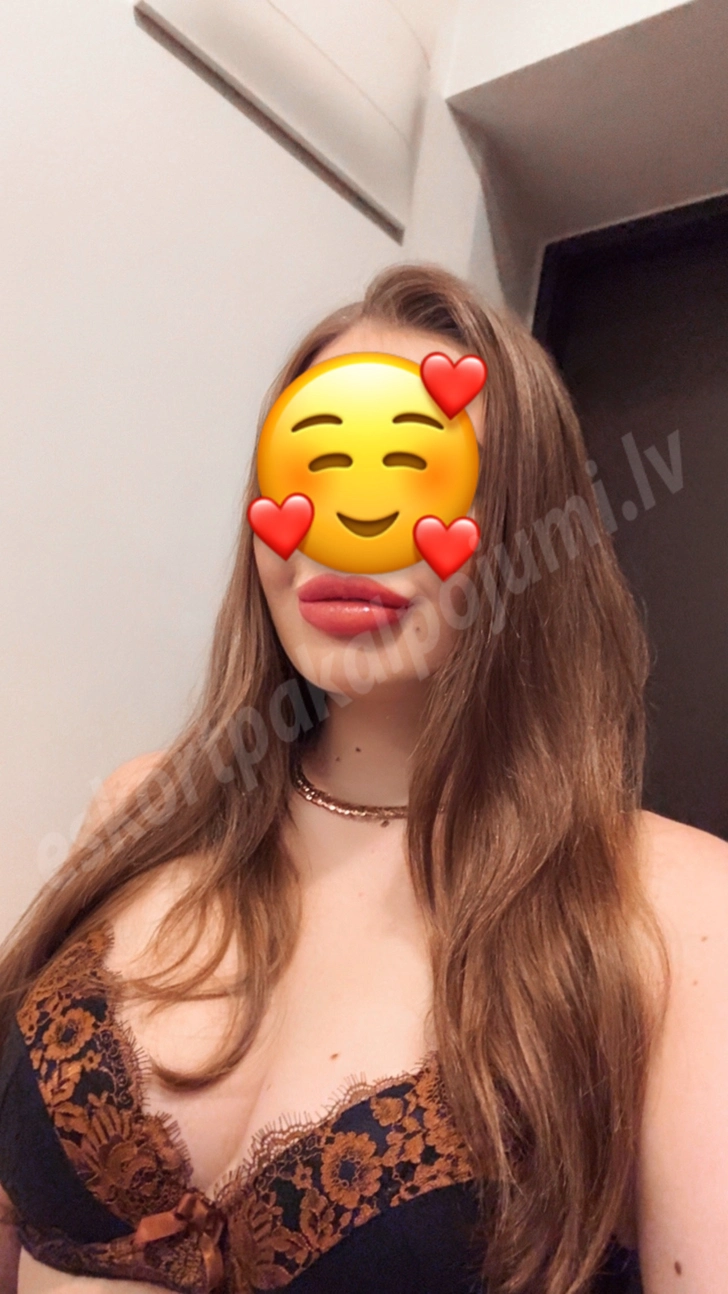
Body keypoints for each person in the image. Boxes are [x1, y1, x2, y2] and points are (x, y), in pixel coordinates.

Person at [1, 264, 727, 1294]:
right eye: (316, 467)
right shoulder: (145, 806)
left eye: (417, 473)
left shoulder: (677, 917)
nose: (349, 533)